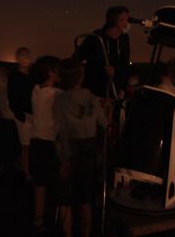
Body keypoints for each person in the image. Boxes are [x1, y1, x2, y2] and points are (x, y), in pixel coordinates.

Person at [54, 58, 108, 237]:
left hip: (70, 149)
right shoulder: (91, 98)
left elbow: (60, 131)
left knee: (65, 199)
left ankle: (68, 234)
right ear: (80, 77)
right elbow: (104, 123)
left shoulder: (60, 99)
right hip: (89, 149)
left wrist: (63, 159)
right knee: (85, 198)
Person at [29, 56, 62, 231]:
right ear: (51, 73)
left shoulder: (35, 90)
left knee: (40, 183)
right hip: (50, 143)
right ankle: (58, 220)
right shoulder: (56, 94)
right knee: (56, 181)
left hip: (36, 141)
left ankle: (38, 216)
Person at [77, 6, 131, 98]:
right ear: (113, 21)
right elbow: (77, 58)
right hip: (95, 90)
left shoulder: (124, 39)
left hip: (115, 90)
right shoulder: (95, 38)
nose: (126, 24)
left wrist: (117, 73)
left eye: (127, 20)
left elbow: (124, 63)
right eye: (122, 20)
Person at [7, 47, 34, 179]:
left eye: (27, 55)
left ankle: (31, 168)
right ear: (17, 58)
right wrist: (20, 115)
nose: (25, 58)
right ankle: (26, 171)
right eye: (22, 56)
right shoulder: (14, 76)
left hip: (34, 114)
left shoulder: (33, 74)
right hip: (23, 115)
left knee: (32, 144)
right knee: (26, 145)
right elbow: (12, 98)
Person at [0, 65, 19, 168]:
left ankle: (11, 160)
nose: (3, 72)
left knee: (11, 138)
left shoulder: (8, 82)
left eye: (4, 70)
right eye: (0, 70)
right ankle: (5, 160)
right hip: (2, 115)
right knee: (4, 139)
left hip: (10, 115)